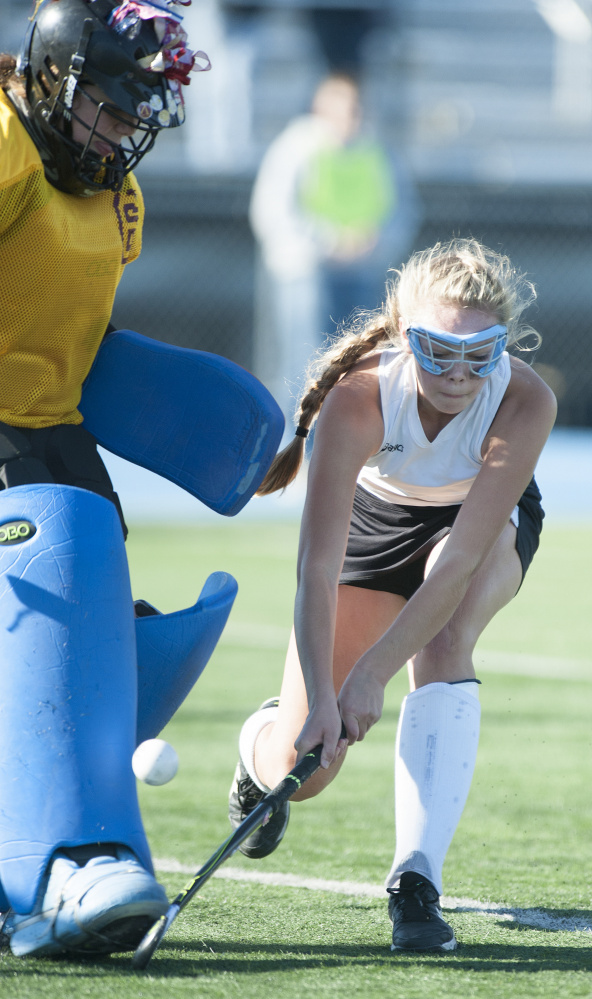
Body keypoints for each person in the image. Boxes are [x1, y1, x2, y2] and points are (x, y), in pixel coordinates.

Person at [0, 0, 280, 961]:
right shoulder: (5, 149)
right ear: (53, 76)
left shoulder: (116, 194)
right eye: (111, 107)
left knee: (105, 642)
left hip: (50, 433)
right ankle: (65, 858)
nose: (123, 131)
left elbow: (75, 332)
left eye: (137, 114)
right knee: (55, 617)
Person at [228, 237, 557, 952]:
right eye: (439, 351)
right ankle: (258, 741)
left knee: (447, 635)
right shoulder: (357, 401)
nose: (460, 373)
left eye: (482, 353)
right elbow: (316, 568)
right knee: (301, 772)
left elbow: (459, 559)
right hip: (371, 527)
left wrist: (373, 673)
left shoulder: (526, 398)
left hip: (474, 525)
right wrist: (326, 695)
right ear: (406, 336)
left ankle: (416, 879)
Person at [250, 71, 417, 432]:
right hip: (305, 273)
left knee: (364, 364)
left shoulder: (379, 151)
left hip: (364, 271)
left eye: (355, 109)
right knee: (304, 361)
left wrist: (371, 243)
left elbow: (401, 211)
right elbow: (273, 213)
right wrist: (329, 242)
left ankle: (351, 441)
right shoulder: (294, 147)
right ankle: (295, 445)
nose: (348, 117)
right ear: (319, 108)